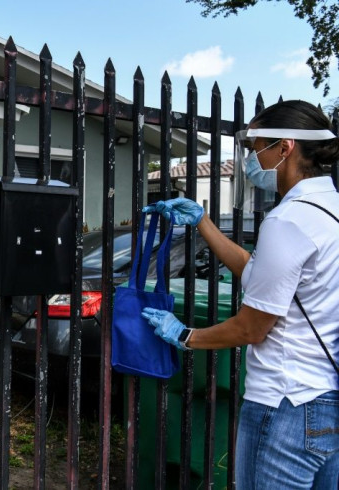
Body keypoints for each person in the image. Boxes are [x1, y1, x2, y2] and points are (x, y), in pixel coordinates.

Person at [142, 100, 339, 489]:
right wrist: (203, 223)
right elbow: (261, 273)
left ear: (285, 148)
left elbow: (252, 329)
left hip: (284, 405)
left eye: (256, 147)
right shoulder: (329, 209)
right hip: (325, 404)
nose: (251, 158)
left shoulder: (289, 219)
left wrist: (186, 336)